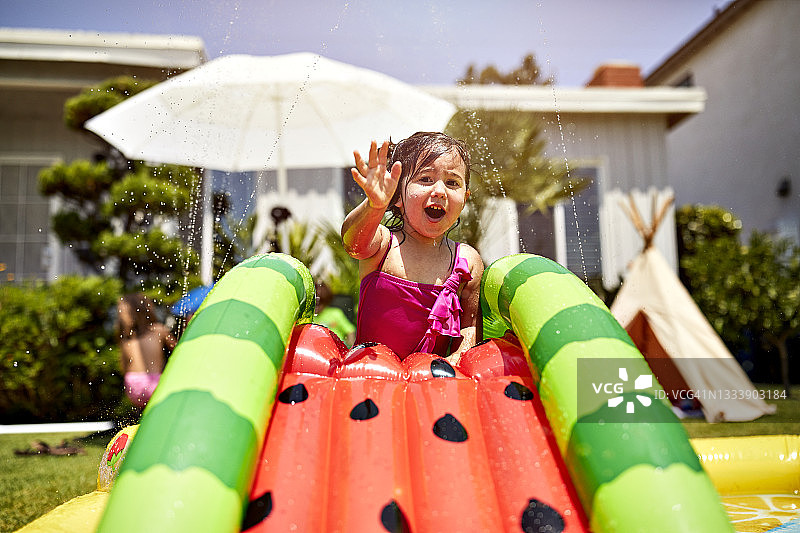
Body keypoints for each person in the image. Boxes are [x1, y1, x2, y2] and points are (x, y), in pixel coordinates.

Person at [341, 132, 483, 364]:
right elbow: (352, 243)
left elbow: (470, 327)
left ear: (465, 198)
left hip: (430, 382)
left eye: (452, 183)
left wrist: (457, 360)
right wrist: (374, 207)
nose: (439, 191)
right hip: (374, 376)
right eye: (425, 179)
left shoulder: (466, 261)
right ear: (397, 195)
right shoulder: (383, 245)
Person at [117, 293, 176, 409]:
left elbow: (123, 367)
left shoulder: (127, 337)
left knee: (143, 413)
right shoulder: (158, 330)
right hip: (154, 383)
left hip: (133, 385)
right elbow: (179, 349)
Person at [314, 281, 356, 346]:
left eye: (320, 303)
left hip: (336, 349)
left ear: (326, 301)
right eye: (314, 302)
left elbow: (350, 331)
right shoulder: (308, 317)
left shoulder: (335, 314)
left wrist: (350, 349)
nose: (316, 306)